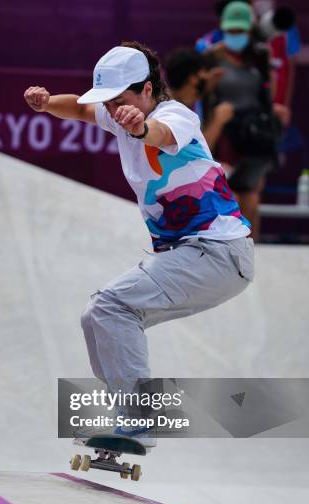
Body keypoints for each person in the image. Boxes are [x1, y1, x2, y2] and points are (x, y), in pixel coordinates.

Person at [24, 42, 254, 444]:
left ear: (147, 89)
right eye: (110, 105)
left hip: (218, 251)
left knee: (112, 306)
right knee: (97, 315)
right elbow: (79, 107)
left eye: (122, 101)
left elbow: (160, 133)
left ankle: (141, 419)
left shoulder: (175, 116)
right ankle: (124, 413)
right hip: (194, 254)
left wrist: (140, 128)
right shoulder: (117, 116)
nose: (114, 112)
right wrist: (46, 105)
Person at [201, 1, 282, 241]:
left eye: (240, 31)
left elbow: (268, 94)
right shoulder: (211, 56)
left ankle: (250, 257)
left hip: (254, 138)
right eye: (231, 31)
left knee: (251, 200)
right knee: (227, 199)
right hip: (225, 137)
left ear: (250, 30)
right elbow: (199, 95)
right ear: (223, 28)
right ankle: (224, 254)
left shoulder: (260, 58)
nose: (236, 35)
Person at [164, 47, 235, 150]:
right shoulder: (173, 113)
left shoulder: (176, 96)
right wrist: (218, 121)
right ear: (193, 78)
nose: (207, 76)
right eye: (204, 72)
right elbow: (199, 152)